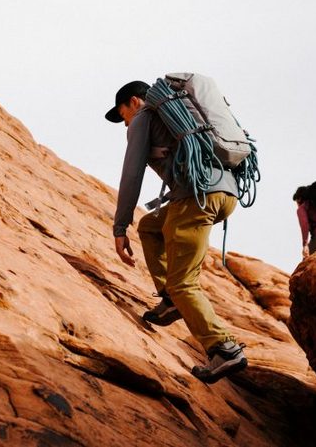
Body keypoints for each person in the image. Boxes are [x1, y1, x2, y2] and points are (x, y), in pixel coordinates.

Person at [105, 80, 248, 383]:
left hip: (196, 197)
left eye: (123, 115)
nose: (124, 124)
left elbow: (132, 172)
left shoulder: (143, 118)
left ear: (133, 102)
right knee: (150, 227)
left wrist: (119, 225)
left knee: (184, 283)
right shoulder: (182, 113)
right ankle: (170, 301)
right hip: (225, 194)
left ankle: (223, 348)